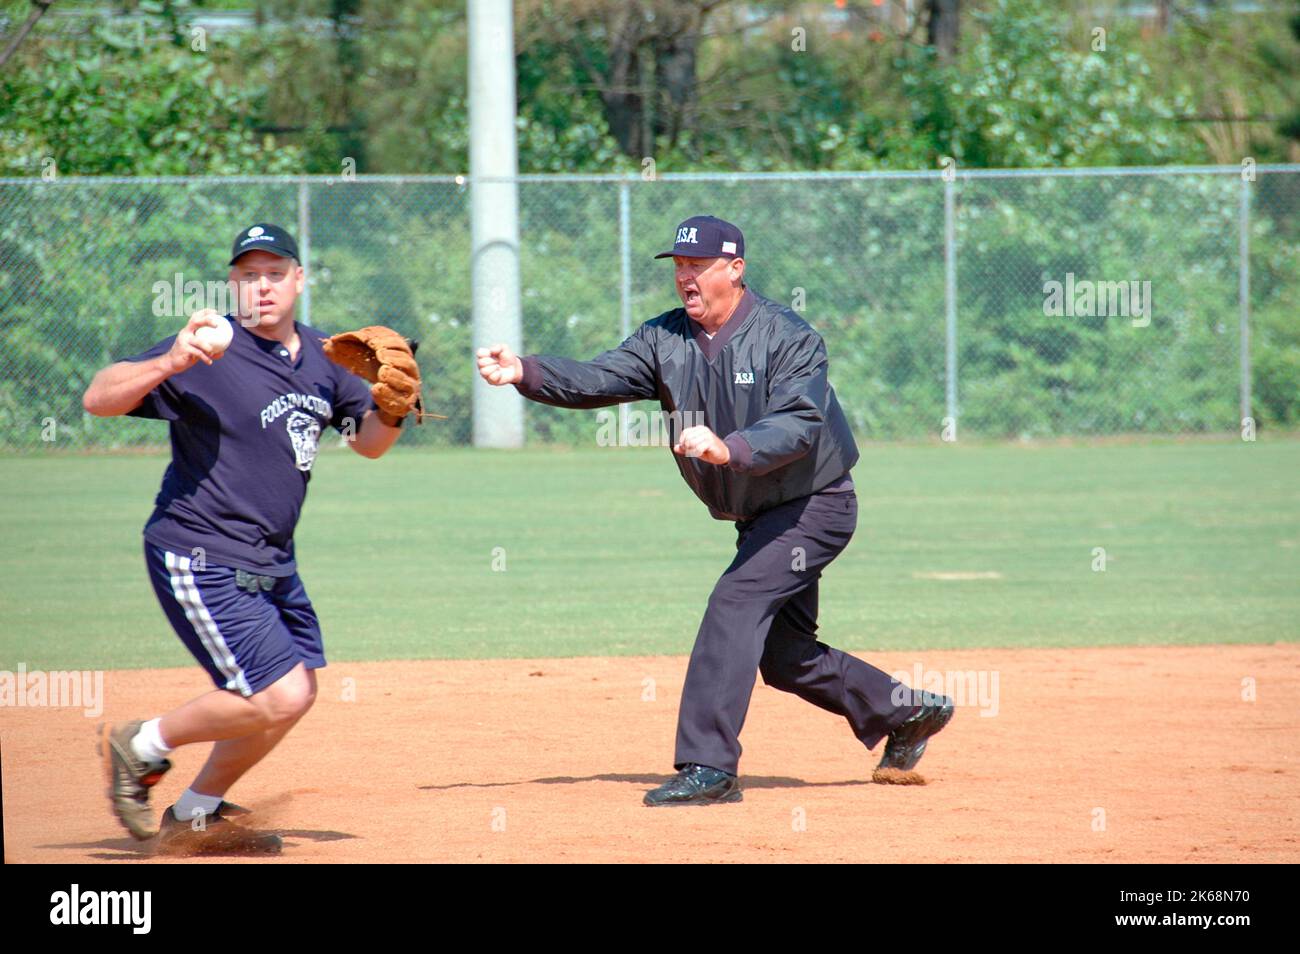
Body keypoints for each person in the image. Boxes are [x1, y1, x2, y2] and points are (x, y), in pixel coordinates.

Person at [477, 215, 954, 806]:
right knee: (784, 658)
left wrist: (731, 447)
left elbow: (801, 422)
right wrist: (527, 371)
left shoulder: (788, 337)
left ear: (735, 269)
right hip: (762, 516)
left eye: (698, 266)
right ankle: (906, 712)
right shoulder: (666, 339)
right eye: (679, 266)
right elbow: (600, 376)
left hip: (815, 505)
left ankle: (710, 766)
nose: (685, 277)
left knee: (734, 602)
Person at [83, 223, 409, 852]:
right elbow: (99, 398)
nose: (261, 287)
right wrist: (172, 360)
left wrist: (392, 407)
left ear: (299, 280)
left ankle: (197, 812)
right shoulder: (209, 349)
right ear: (232, 283)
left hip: (272, 560)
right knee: (275, 693)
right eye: (248, 275)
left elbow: (369, 443)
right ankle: (141, 744)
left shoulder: (326, 356)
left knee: (297, 692)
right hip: (198, 549)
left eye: (274, 274)